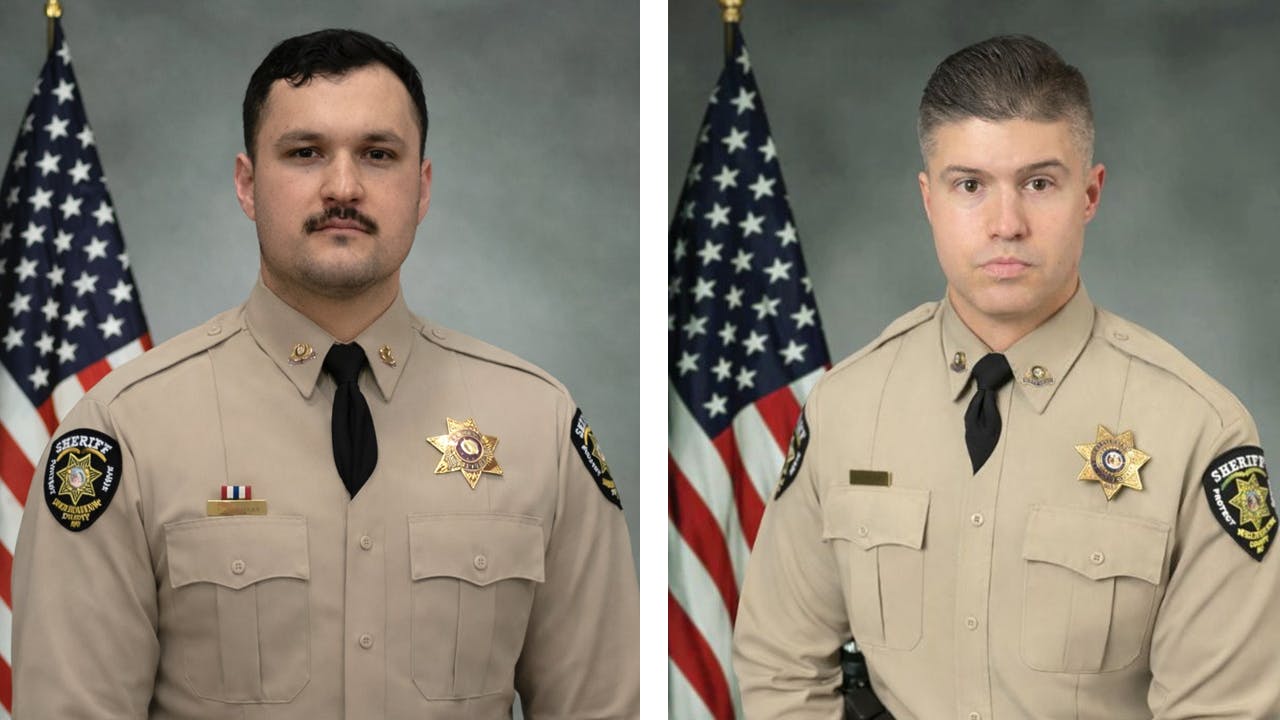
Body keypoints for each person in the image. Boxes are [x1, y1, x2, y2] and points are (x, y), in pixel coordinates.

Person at [12, 28, 639, 718]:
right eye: (305, 153)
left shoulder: (537, 426)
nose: (344, 187)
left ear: (422, 186)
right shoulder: (125, 432)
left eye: (378, 154)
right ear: (248, 184)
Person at [733, 34, 1279, 719]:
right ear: (928, 199)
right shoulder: (848, 408)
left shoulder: (1198, 430)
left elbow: (1223, 711)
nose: (1006, 224)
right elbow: (781, 666)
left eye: (1039, 183)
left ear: (1090, 194)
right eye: (970, 186)